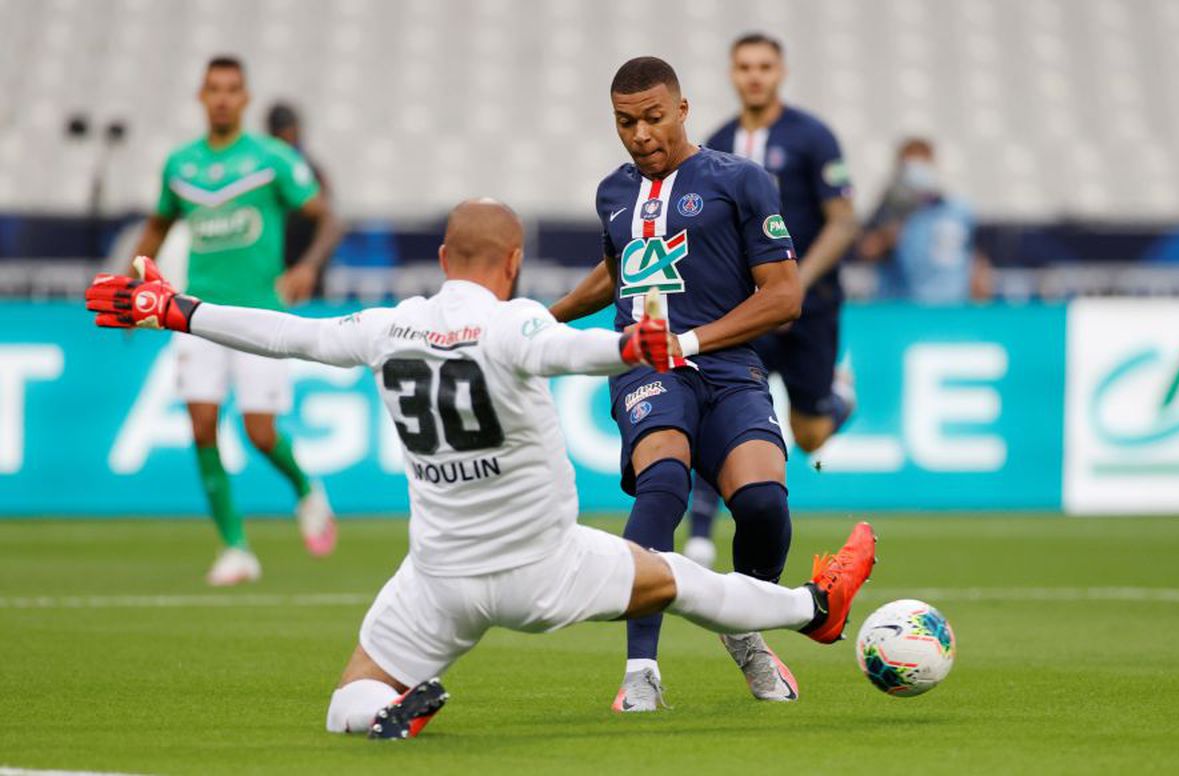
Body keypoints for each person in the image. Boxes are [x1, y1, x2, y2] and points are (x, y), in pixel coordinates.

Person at [85, 199, 878, 740]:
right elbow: (568, 349)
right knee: (679, 581)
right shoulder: (514, 320)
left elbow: (291, 335)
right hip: (547, 567)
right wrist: (631, 346)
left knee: (346, 700)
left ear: (441, 258)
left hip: (440, 579)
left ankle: (385, 715)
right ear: (513, 262)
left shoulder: (388, 325)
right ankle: (815, 606)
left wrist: (176, 309)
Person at [549, 57, 809, 710]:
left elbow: (783, 296)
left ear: (684, 109)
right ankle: (641, 672)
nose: (640, 135)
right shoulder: (613, 194)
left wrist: (690, 340)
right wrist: (543, 319)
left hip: (725, 365)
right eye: (625, 122)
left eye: (653, 118)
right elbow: (620, 274)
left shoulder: (741, 182)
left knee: (763, 506)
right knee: (664, 480)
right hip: (645, 365)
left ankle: (743, 626)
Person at [132, 56, 344, 585]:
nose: (223, 98)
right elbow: (157, 227)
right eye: (214, 89)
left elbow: (328, 217)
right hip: (195, 313)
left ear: (245, 99)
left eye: (232, 90)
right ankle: (235, 548)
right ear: (202, 97)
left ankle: (305, 490)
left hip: (259, 315)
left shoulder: (271, 159)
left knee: (261, 433)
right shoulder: (180, 165)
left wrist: (308, 266)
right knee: (202, 425)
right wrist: (129, 287)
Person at [685, 34, 861, 570]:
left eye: (764, 66)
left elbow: (843, 219)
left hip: (811, 304)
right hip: (745, 309)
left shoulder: (813, 137)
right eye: (744, 67)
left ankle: (840, 400)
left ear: (780, 71)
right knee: (719, 405)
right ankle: (698, 532)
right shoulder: (715, 140)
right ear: (732, 74)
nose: (755, 76)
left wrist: (797, 281)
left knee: (808, 437)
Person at [858, 137, 990, 302]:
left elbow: (972, 253)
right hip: (904, 309)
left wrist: (980, 284)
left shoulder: (958, 209)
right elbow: (868, 251)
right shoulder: (888, 209)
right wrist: (894, 225)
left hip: (952, 306)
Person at [266, 101, 340, 298]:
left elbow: (332, 223)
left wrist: (308, 266)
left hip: (307, 280)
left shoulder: (312, 173)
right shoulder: (263, 175)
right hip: (271, 277)